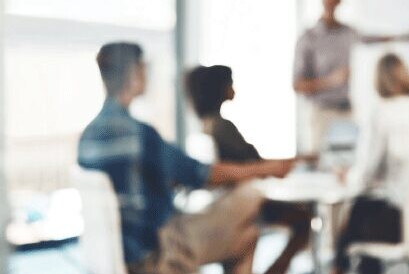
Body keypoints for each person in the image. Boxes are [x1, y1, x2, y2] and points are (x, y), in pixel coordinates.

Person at [78, 43, 295, 274]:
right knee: (251, 196)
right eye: (142, 68)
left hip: (120, 254)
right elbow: (200, 174)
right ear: (133, 74)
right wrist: (267, 169)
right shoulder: (140, 135)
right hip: (158, 251)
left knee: (247, 236)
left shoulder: (87, 137)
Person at [184, 64, 313, 274]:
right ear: (222, 88)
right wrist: (278, 166)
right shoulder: (221, 127)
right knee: (302, 218)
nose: (234, 88)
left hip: (225, 204)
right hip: (240, 204)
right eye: (231, 83)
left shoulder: (207, 124)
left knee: (251, 236)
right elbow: (255, 164)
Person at [332, 53, 409, 274]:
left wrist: (348, 176)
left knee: (356, 213)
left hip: (397, 220)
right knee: (362, 215)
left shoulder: (382, 112)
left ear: (378, 81)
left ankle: (337, 268)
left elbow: (366, 173)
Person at [293, 0, 409, 153]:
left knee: (351, 159)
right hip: (322, 112)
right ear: (322, 1)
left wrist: (405, 37)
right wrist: (332, 80)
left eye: (334, 2)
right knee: (322, 162)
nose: (330, 7)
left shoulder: (348, 33)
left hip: (346, 111)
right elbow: (297, 85)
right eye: (327, 2)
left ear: (339, 2)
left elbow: (374, 38)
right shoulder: (308, 38)